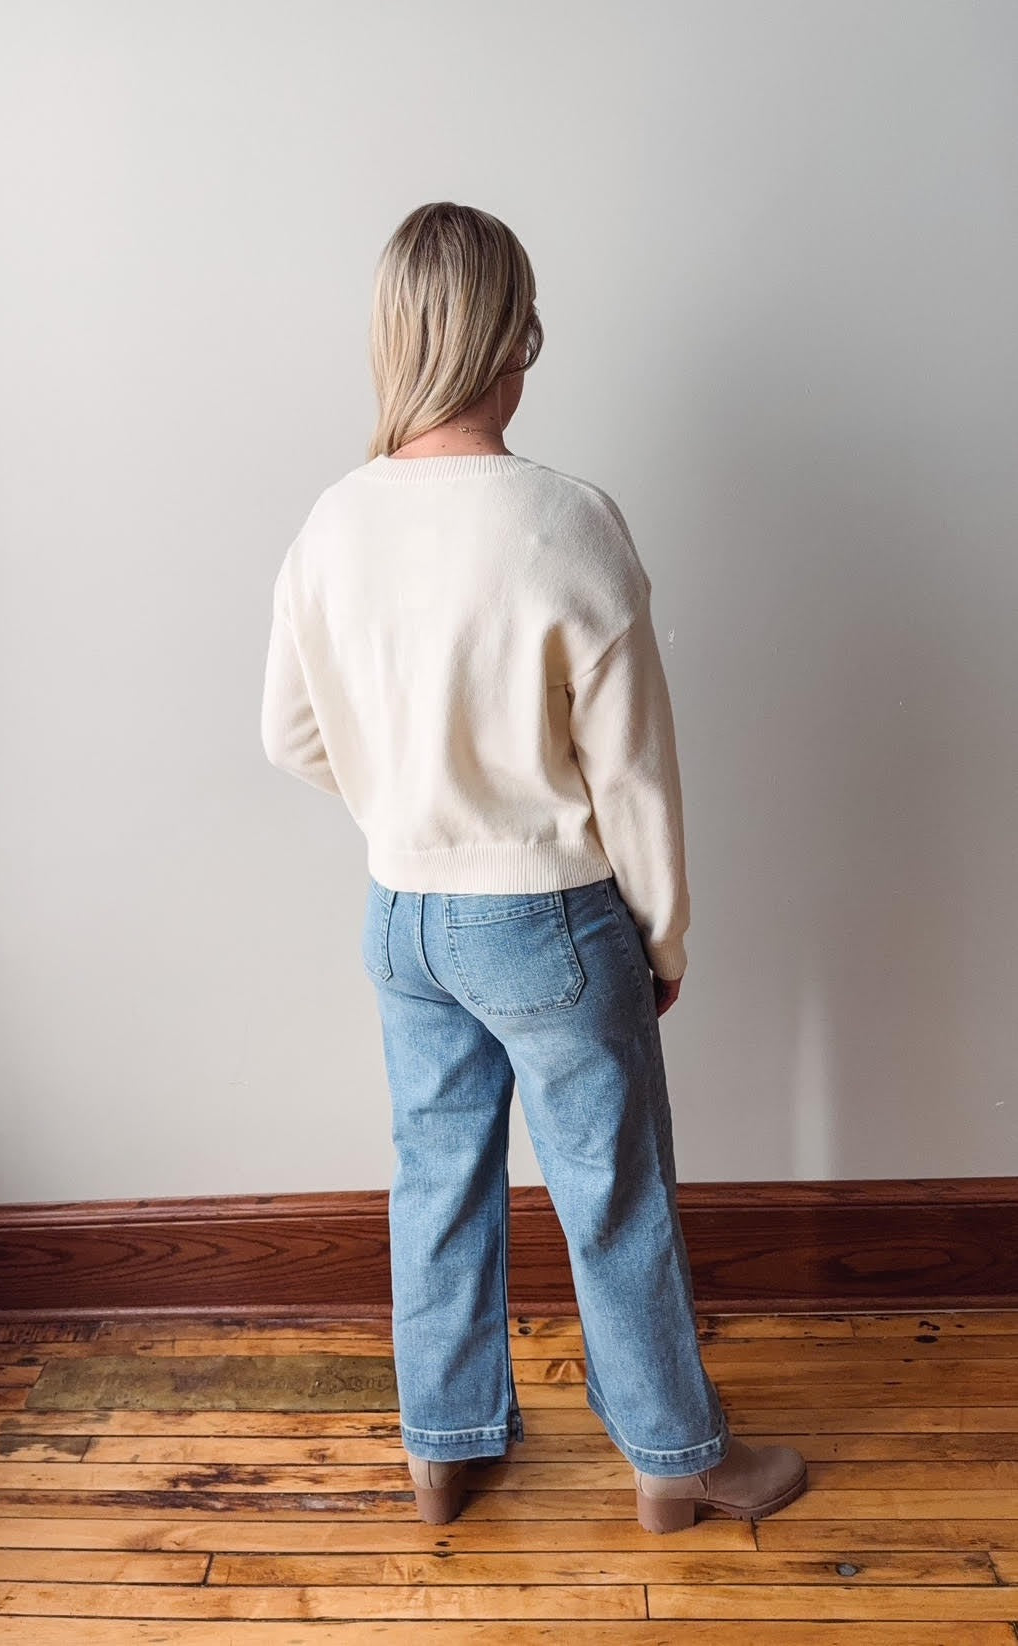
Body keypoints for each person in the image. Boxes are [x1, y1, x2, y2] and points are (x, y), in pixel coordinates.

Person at [260, 201, 807, 1534]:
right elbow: (631, 772)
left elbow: (287, 731)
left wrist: (403, 811)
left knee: (434, 1177)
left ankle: (442, 1451)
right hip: (547, 920)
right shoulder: (564, 521)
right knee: (609, 1190)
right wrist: (660, 938)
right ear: (512, 335)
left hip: (403, 913)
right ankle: (676, 1460)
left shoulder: (332, 521)